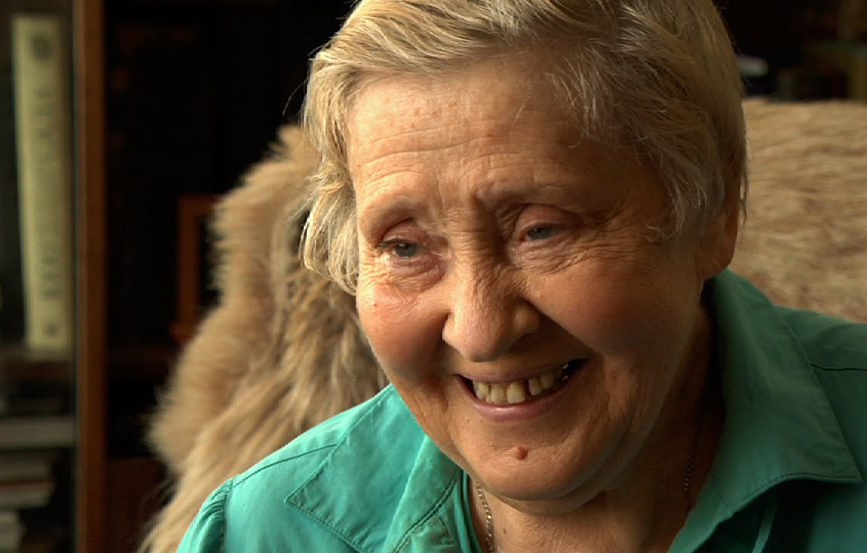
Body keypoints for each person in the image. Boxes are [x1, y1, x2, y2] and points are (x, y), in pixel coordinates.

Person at [178, 0, 867, 551]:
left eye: (542, 230)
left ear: (715, 212)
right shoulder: (264, 533)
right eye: (407, 247)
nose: (479, 331)